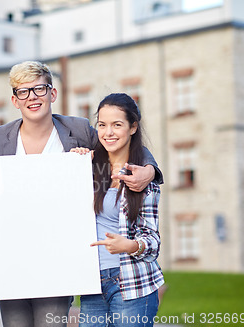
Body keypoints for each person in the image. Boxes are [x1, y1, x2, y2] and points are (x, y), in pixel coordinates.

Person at [0, 61, 163, 327]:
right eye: (24, 92)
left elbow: (117, 141)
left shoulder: (76, 130)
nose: (32, 97)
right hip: (15, 259)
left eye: (39, 89)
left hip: (60, 261)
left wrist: (149, 169)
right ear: (14, 100)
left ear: (52, 94)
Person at [74, 93, 164, 327]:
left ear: (133, 127)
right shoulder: (88, 169)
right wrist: (72, 164)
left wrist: (130, 245)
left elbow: (153, 240)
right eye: (102, 125)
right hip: (93, 284)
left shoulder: (142, 178)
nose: (108, 132)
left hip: (132, 284)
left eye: (117, 125)